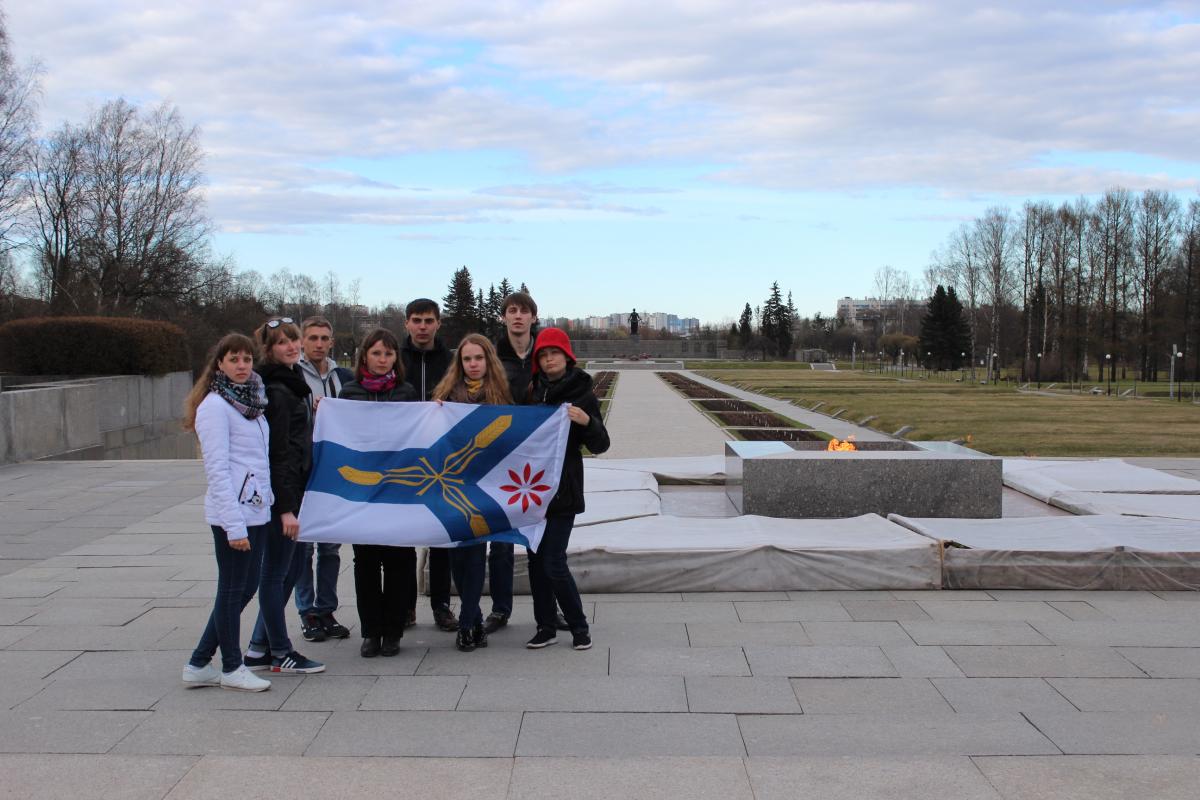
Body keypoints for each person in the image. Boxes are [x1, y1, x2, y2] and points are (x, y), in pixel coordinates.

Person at [180, 334, 273, 692]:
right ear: (219, 364)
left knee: (244, 587)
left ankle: (200, 662)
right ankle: (232, 667)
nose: (241, 366)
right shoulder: (215, 406)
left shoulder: (253, 401)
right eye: (233, 359)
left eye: (247, 359)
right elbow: (217, 469)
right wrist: (234, 526)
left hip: (256, 510)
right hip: (232, 516)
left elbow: (256, 460)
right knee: (232, 590)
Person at [243, 317, 325, 675]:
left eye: (293, 340)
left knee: (288, 570)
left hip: (293, 491)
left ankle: (260, 647)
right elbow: (280, 453)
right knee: (277, 573)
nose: (291, 346)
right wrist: (287, 508)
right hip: (283, 497)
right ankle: (280, 650)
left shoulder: (289, 384)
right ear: (269, 349)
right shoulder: (277, 389)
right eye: (281, 342)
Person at [485, 291, 567, 635]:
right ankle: (501, 609)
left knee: (540, 535)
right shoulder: (492, 354)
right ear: (503, 317)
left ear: (534, 317)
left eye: (524, 311)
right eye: (511, 311)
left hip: (536, 458)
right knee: (501, 538)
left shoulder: (543, 352)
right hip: (501, 455)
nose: (517, 317)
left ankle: (546, 613)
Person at [525, 328, 610, 651]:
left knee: (554, 562)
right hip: (533, 491)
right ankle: (545, 626)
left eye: (554, 354)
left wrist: (587, 421)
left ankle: (579, 627)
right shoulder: (532, 392)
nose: (549, 360)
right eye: (543, 356)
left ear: (566, 357)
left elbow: (601, 444)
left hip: (564, 491)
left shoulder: (583, 394)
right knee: (536, 561)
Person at [338, 328, 419, 657]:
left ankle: (394, 630)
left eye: (388, 354)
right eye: (376, 353)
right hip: (363, 488)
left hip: (399, 487)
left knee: (399, 560)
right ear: (365, 357)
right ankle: (371, 630)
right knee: (366, 563)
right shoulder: (349, 393)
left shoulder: (407, 392)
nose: (383, 359)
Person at [431, 333, 514, 651]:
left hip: (487, 485)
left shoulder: (501, 394)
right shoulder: (446, 395)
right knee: (459, 554)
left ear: (488, 360)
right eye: (467, 359)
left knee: (477, 551)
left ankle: (466, 624)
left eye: (478, 358)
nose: (473, 364)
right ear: (460, 362)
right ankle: (475, 619)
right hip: (453, 484)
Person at [399, 298, 458, 633]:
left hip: (442, 459)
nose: (422, 326)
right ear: (407, 323)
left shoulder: (450, 361)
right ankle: (406, 606)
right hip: (407, 459)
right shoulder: (396, 357)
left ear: (438, 324)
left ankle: (441, 605)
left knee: (440, 536)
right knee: (406, 537)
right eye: (417, 320)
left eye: (428, 320)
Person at [294, 316, 354, 643]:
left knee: (330, 546)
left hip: (332, 470)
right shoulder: (293, 375)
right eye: (313, 338)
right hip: (303, 468)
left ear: (331, 342)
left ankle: (326, 608)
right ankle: (307, 611)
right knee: (302, 547)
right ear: (303, 341)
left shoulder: (342, 376)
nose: (319, 343)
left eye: (324, 338)